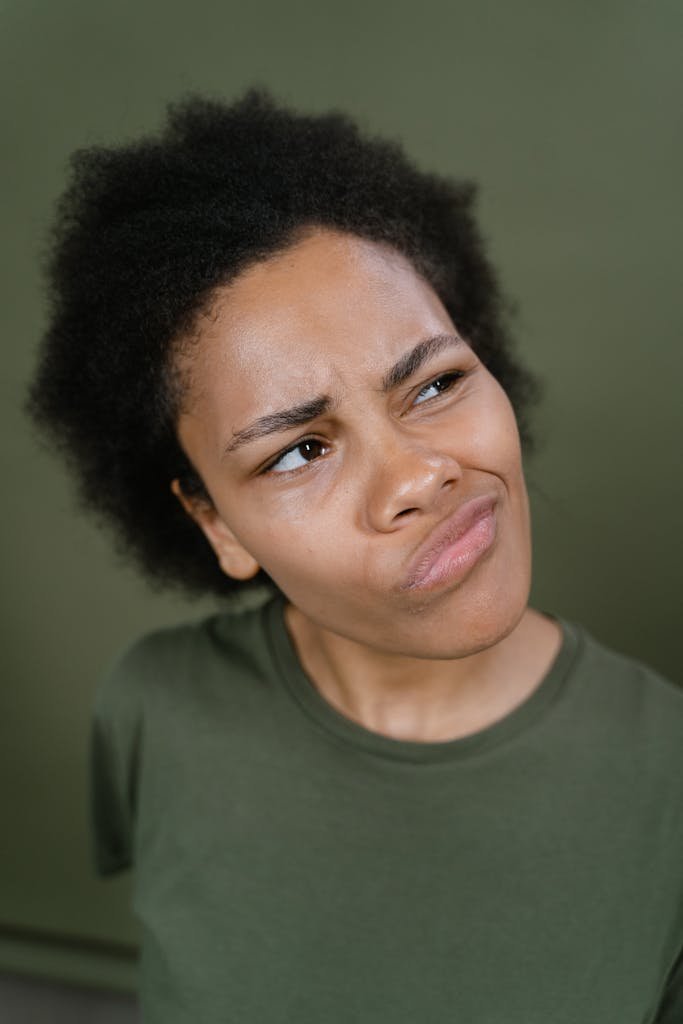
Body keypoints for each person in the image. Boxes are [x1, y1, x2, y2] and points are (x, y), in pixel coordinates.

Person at [26, 88, 682, 1023]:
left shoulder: (668, 783)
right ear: (214, 522)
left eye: (436, 383)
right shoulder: (151, 710)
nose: (417, 476)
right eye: (298, 450)